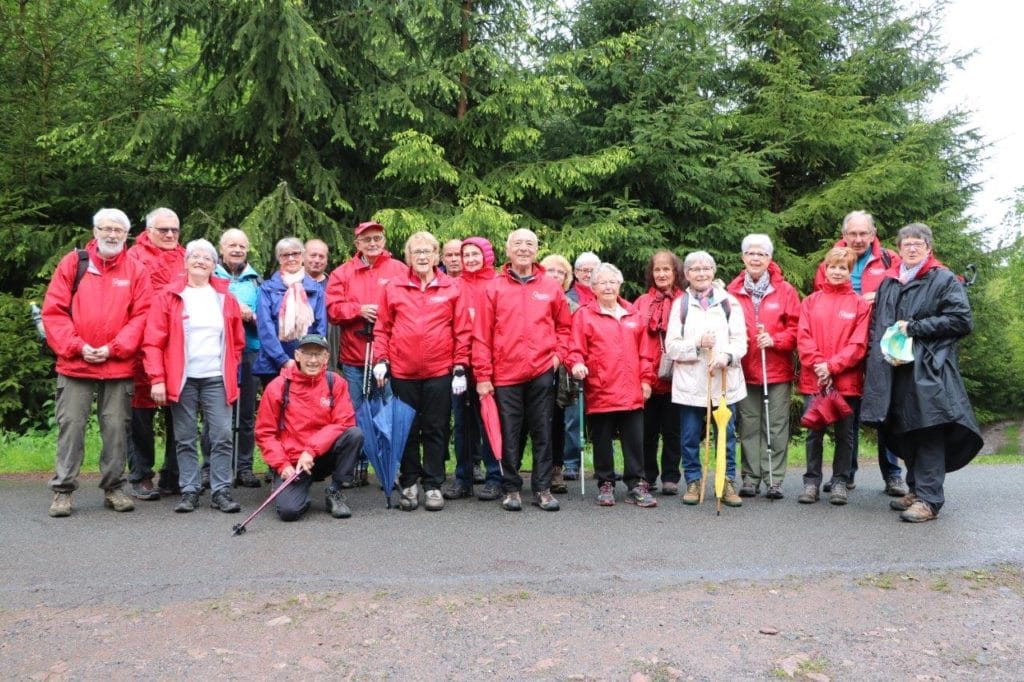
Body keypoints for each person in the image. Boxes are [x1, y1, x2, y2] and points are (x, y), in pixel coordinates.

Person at [862, 224, 982, 523]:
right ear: (898, 248)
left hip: (930, 369)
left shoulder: (942, 278)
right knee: (906, 429)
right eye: (907, 244)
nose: (912, 248)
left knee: (929, 429)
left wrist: (916, 327)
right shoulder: (890, 282)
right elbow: (879, 324)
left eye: (918, 243)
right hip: (896, 370)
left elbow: (961, 320)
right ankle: (915, 489)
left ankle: (930, 500)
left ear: (929, 248)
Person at [42, 208, 151, 517]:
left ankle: (113, 488)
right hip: (76, 363)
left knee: (116, 428)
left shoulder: (136, 270)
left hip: (117, 364)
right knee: (71, 426)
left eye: (118, 230)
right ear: (95, 232)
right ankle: (63, 491)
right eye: (105, 228)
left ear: (126, 234)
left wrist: (114, 348)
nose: (111, 234)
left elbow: (142, 315)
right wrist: (78, 346)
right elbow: (54, 311)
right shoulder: (73, 263)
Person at [472, 228, 572, 512]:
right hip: (505, 373)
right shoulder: (493, 286)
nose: (524, 248)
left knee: (543, 431)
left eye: (530, 244)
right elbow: (481, 335)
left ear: (536, 250)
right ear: (507, 250)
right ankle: (511, 489)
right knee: (509, 433)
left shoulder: (550, 287)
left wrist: (558, 357)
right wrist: (483, 376)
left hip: (542, 370)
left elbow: (565, 327)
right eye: (518, 244)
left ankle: (542, 489)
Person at [143, 239, 246, 514]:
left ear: (214, 265)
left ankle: (221, 490)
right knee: (185, 437)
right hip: (183, 378)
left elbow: (237, 341)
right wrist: (157, 378)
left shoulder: (225, 297)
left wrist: (231, 366)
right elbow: (153, 341)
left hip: (216, 377)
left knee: (222, 435)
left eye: (207, 258)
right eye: (195, 256)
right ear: (185, 261)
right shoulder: (169, 295)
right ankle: (189, 490)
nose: (200, 261)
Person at [372, 232, 471, 511]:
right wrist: (382, 358)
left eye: (428, 251)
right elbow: (383, 328)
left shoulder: (452, 287)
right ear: (408, 257)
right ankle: (410, 482)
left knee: (436, 428)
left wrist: (460, 366)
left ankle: (433, 485)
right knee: (406, 429)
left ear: (437, 256)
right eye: (417, 252)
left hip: (440, 371)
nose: (423, 256)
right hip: (403, 371)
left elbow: (462, 330)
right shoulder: (393, 287)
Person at [814, 210, 907, 496]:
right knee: (848, 412)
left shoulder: (891, 260)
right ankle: (846, 473)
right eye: (852, 234)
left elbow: (906, 293)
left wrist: (878, 299)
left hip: (881, 344)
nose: (857, 239)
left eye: (863, 233)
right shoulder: (831, 260)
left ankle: (892, 474)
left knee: (886, 409)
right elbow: (823, 299)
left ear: (873, 233)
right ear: (843, 235)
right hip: (844, 347)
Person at [663, 251, 747, 507]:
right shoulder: (681, 305)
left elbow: (741, 341)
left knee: (726, 435)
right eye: (695, 269)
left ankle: (727, 481)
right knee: (689, 437)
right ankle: (693, 480)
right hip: (691, 384)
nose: (701, 273)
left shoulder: (729, 303)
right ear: (687, 275)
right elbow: (672, 347)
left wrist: (726, 355)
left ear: (713, 271)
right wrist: (697, 344)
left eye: (706, 268)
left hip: (724, 382)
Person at [569, 263, 656, 507]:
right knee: (602, 439)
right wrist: (576, 363)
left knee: (634, 439)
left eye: (612, 282)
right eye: (602, 283)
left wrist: (646, 379)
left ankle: (636, 483)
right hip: (601, 386)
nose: (608, 286)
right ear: (593, 288)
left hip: (631, 388)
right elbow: (574, 348)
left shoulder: (633, 315)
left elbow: (645, 353)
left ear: (620, 285)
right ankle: (605, 482)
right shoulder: (584, 315)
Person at [255, 334, 365, 521]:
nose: (313, 360)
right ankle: (292, 488)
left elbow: (344, 422)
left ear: (326, 358)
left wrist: (311, 450)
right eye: (307, 354)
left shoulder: (335, 382)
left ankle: (334, 490)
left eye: (318, 354)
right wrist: (282, 464)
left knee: (354, 434)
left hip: (322, 455)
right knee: (289, 512)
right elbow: (265, 433)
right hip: (292, 461)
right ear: (297, 355)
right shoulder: (278, 386)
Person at [727, 235, 801, 499]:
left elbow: (797, 330)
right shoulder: (732, 291)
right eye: (750, 253)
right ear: (743, 257)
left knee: (776, 425)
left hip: (776, 370)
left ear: (769, 259)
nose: (755, 258)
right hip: (745, 371)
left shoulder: (785, 291)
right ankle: (750, 478)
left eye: (761, 254)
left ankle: (774, 478)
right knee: (748, 426)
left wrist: (775, 339)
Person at [796, 247, 871, 505]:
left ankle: (840, 481)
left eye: (843, 268)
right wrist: (820, 366)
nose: (837, 272)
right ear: (825, 268)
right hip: (814, 379)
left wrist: (832, 367)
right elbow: (803, 338)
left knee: (845, 434)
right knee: (813, 432)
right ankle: (811, 482)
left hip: (845, 380)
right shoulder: (810, 302)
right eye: (833, 267)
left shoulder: (859, 304)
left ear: (850, 272)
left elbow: (858, 344)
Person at [127, 207, 185, 498]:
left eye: (175, 229)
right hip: (141, 347)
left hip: (178, 347)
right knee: (141, 413)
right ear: (149, 230)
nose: (171, 235)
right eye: (164, 230)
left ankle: (173, 474)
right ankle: (140, 474)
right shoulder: (133, 257)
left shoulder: (186, 257)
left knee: (180, 411)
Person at [325, 221, 407, 411]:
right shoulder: (342, 273)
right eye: (367, 239)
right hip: (355, 357)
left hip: (389, 357)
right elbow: (332, 310)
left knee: (387, 410)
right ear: (358, 244)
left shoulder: (399, 270)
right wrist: (358, 310)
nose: (372, 243)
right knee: (357, 411)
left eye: (377, 238)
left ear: (384, 241)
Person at [449, 237, 503, 501]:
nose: (470, 260)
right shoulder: (454, 285)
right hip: (460, 363)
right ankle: (464, 477)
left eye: (475, 254)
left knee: (489, 421)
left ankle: (495, 476)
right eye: (465, 255)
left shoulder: (497, 284)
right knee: (462, 424)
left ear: (487, 255)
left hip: (492, 364)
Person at [211, 228, 263, 488]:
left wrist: (252, 316)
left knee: (246, 415)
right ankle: (211, 466)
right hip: (218, 352)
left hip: (250, 351)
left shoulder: (256, 280)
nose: (237, 250)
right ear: (221, 249)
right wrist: (233, 309)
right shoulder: (211, 276)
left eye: (242, 246)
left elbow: (264, 316)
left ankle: (244, 467)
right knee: (217, 412)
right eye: (232, 245)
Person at [634, 250, 685, 495]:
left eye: (667, 269)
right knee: (647, 431)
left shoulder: (686, 300)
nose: (662, 274)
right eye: (657, 270)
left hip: (678, 375)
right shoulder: (642, 302)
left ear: (676, 273)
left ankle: (671, 476)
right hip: (647, 375)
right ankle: (647, 475)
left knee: (673, 430)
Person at [253, 237, 327, 384]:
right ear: (279, 259)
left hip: (307, 364)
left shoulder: (316, 289)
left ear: (303, 256)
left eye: (296, 253)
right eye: (285, 255)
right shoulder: (267, 289)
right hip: (273, 364)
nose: (291, 258)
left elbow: (320, 328)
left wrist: (307, 358)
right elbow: (265, 327)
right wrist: (283, 360)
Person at [539, 253, 576, 494]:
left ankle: (555, 468)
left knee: (556, 420)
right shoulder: (534, 297)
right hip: (532, 366)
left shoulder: (572, 306)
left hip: (561, 371)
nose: (555, 275)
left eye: (560, 272)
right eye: (550, 270)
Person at [562, 251, 600, 479]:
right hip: (573, 363)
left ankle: (600, 462)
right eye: (583, 270)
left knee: (600, 418)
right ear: (575, 273)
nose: (588, 274)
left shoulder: (606, 295)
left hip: (600, 365)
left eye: (592, 269)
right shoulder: (568, 297)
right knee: (572, 417)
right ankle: (571, 463)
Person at [304, 238, 341, 372]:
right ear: (303, 256)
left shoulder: (335, 286)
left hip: (328, 353)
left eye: (321, 256)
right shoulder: (292, 286)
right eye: (313, 255)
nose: (317, 260)